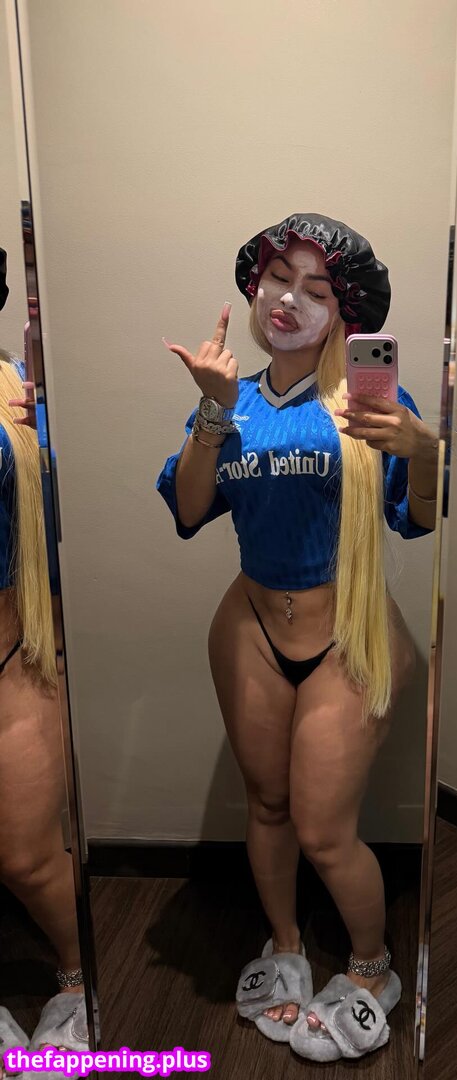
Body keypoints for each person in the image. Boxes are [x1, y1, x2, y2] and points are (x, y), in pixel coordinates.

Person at [158, 213, 439, 1063]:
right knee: (269, 805)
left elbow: (419, 520)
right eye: (278, 279)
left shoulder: (371, 402)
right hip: (248, 628)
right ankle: (285, 945)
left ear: (345, 312)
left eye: (315, 289)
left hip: (347, 635)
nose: (289, 300)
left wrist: (424, 451)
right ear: (254, 288)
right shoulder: (233, 401)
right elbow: (189, 510)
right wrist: (212, 412)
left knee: (324, 829)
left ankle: (372, 968)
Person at [0, 349, 86, 1078]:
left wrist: (55, 435)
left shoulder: (18, 393)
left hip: (12, 652)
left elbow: (72, 525)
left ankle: (79, 976)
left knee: (26, 856)